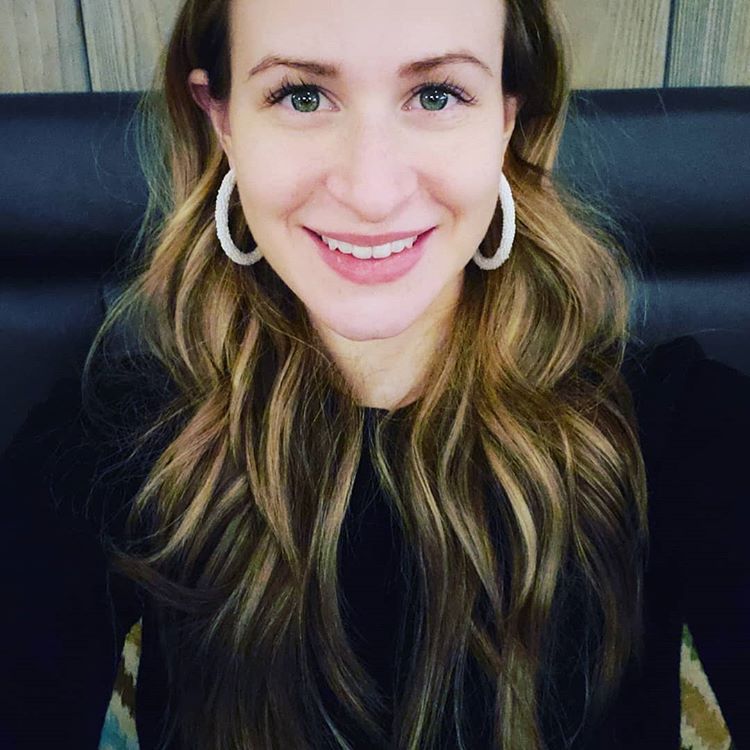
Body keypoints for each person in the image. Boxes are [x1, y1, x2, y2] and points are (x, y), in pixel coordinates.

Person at [1, 0, 748, 748]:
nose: (372, 192)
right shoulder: (107, 445)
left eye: (437, 95)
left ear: (506, 117)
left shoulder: (682, 430)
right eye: (301, 96)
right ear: (221, 119)